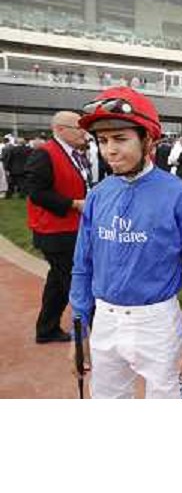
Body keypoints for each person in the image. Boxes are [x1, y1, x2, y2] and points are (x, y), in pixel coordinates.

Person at [69, 86, 182, 399]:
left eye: (120, 139)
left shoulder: (179, 195)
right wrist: (78, 330)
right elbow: (82, 266)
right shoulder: (97, 195)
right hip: (105, 320)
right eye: (104, 140)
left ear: (148, 140)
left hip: (157, 323)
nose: (109, 150)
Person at [24, 112, 89, 343]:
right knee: (77, 282)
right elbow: (35, 192)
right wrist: (72, 204)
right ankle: (91, 333)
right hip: (55, 232)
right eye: (78, 127)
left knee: (57, 284)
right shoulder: (44, 154)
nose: (84, 131)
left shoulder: (74, 154)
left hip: (69, 229)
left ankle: (47, 329)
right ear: (61, 129)